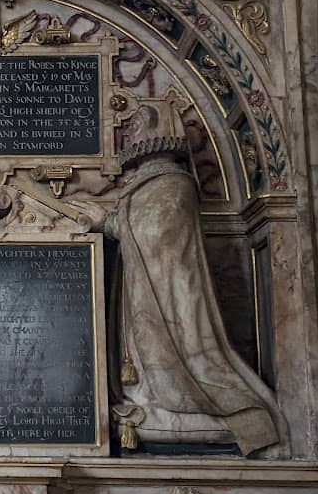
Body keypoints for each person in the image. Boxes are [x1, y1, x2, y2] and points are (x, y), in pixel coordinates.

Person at [73, 100, 287, 456]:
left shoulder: (173, 182)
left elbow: (156, 231)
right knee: (142, 346)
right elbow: (139, 227)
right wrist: (108, 221)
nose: (130, 132)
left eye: (139, 124)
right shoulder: (143, 184)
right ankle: (151, 397)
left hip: (169, 290)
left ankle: (190, 402)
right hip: (143, 284)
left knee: (170, 346)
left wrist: (112, 223)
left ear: (160, 131)